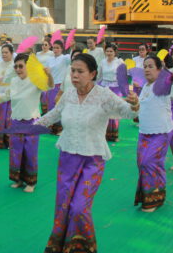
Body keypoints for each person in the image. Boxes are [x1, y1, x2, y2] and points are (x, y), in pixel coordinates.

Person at [36, 54, 139, 252]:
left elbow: (129, 112)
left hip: (93, 159)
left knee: (79, 208)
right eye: (73, 71)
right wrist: (30, 127)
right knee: (63, 205)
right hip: (67, 157)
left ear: (92, 74)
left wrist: (135, 104)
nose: (75, 75)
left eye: (80, 71)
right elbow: (54, 114)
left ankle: (83, 247)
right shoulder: (68, 95)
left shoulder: (104, 95)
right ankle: (61, 246)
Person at [0, 53, 53, 193]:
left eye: (21, 66)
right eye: (16, 66)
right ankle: (18, 179)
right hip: (16, 121)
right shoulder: (14, 81)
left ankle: (31, 182)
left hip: (31, 122)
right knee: (16, 151)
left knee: (30, 152)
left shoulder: (36, 80)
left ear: (28, 66)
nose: (18, 69)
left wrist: (49, 75)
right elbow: (5, 96)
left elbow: (49, 86)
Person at [134, 55, 173, 212]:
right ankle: (151, 195)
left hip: (161, 132)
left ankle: (154, 199)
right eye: (145, 66)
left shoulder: (162, 85)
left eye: (151, 66)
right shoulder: (145, 86)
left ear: (159, 69)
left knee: (149, 162)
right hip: (144, 131)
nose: (146, 69)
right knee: (142, 163)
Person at [98, 43, 125, 142]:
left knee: (114, 112)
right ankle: (104, 134)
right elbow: (99, 76)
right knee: (104, 111)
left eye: (111, 51)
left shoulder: (119, 62)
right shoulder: (102, 62)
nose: (109, 53)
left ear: (115, 52)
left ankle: (114, 134)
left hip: (116, 88)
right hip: (104, 88)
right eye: (107, 51)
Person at [0, 44, 15, 149]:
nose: (4, 54)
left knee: (9, 120)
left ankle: (9, 142)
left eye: (6, 52)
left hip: (9, 96)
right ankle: (0, 142)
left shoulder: (15, 66)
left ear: (12, 53)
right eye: (2, 52)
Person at [43, 40, 71, 133]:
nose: (55, 50)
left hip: (60, 86)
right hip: (50, 85)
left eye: (58, 48)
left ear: (62, 49)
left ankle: (59, 127)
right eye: (54, 48)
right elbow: (46, 72)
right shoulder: (49, 59)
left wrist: (72, 47)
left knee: (59, 106)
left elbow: (73, 58)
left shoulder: (65, 58)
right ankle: (51, 127)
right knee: (51, 105)